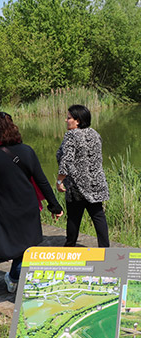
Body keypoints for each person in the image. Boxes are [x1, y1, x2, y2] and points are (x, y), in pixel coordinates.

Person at [0, 112, 63, 293]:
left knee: (18, 248)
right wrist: (54, 205)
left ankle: (14, 278)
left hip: (5, 209)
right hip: (28, 205)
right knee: (26, 247)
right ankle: (14, 277)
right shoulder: (27, 151)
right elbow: (42, 180)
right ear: (14, 127)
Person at [56, 104, 110, 248]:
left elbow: (66, 160)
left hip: (77, 185)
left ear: (77, 121)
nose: (66, 120)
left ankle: (69, 247)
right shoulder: (94, 133)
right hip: (96, 182)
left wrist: (59, 180)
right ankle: (105, 249)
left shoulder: (71, 135)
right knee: (98, 216)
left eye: (68, 118)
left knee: (74, 217)